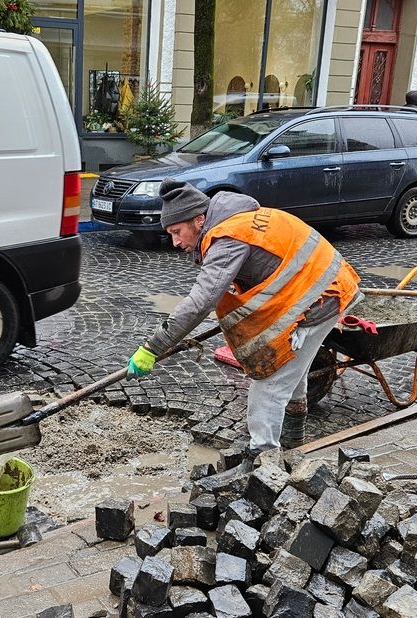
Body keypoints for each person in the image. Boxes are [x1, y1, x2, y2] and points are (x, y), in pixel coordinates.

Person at [126, 180, 361, 462]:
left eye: (177, 232)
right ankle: (292, 440)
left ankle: (264, 461)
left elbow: (201, 302)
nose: (175, 242)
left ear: (199, 220)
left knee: (270, 379)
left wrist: (153, 347)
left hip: (320, 296)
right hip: (320, 287)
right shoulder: (235, 220)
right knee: (293, 370)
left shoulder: (228, 237)